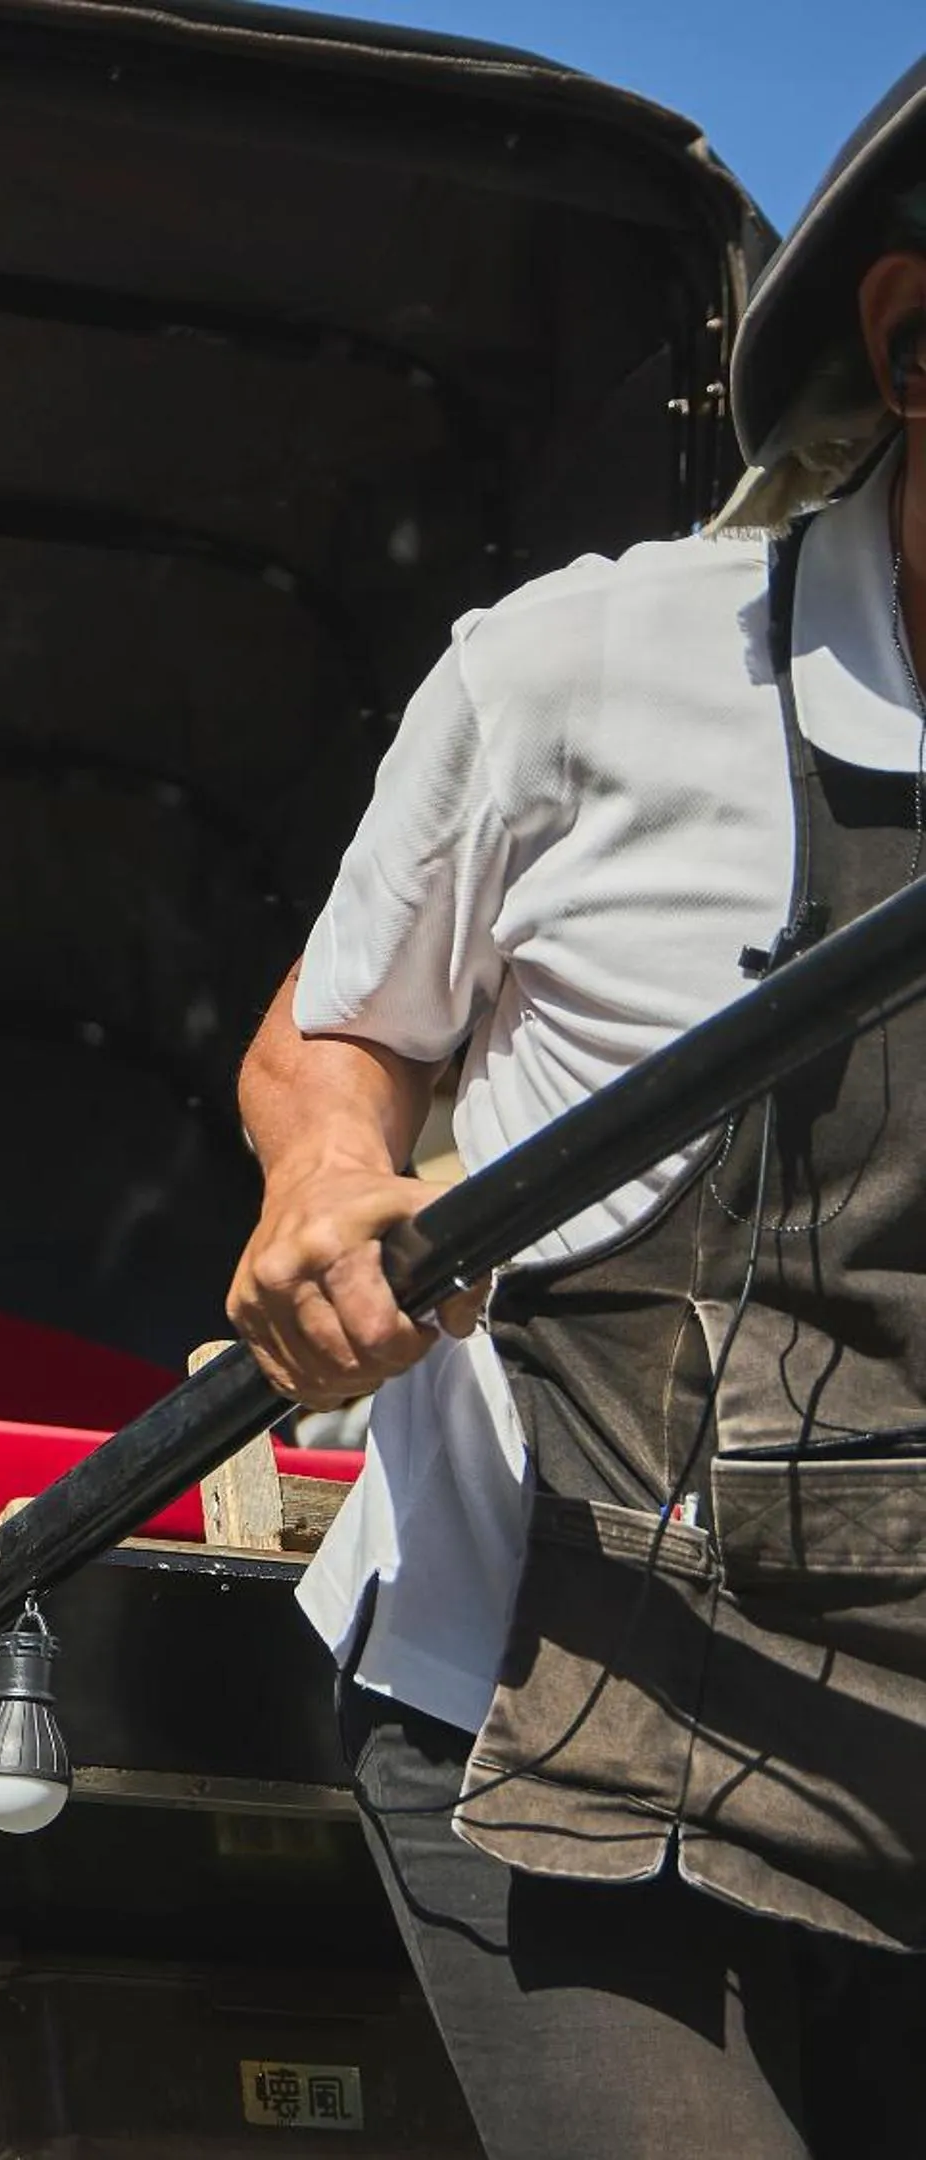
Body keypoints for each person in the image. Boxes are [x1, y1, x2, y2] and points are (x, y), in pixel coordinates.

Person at [229, 59, 926, 2160]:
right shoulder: (589, 676)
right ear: (911, 337)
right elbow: (328, 1035)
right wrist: (332, 1174)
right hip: (561, 1714)